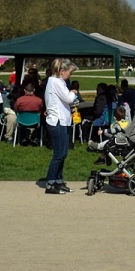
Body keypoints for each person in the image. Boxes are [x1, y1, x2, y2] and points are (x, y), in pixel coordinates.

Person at [43, 58, 79, 194]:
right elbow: (69, 98)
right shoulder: (56, 82)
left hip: (62, 120)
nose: (70, 75)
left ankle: (58, 181)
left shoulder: (58, 82)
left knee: (63, 153)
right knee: (58, 154)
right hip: (56, 121)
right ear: (62, 71)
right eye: (69, 73)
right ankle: (51, 183)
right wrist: (73, 92)